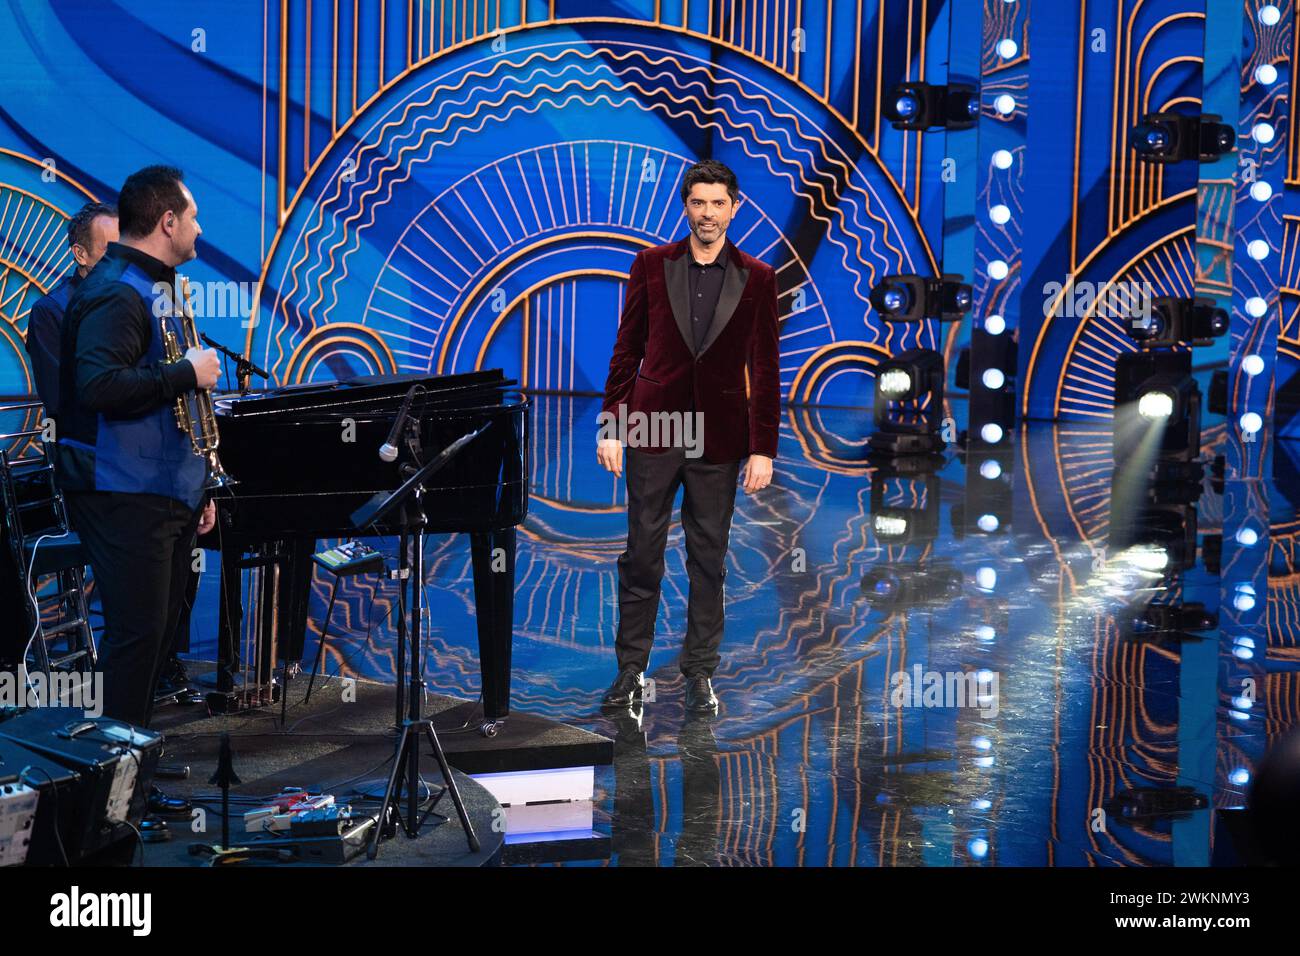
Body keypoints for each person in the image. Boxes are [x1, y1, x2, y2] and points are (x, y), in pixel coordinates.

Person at [596, 159, 779, 715]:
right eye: (698, 203)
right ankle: (631, 671)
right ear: (686, 206)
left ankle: (700, 673)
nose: (707, 213)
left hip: (720, 436)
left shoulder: (758, 277)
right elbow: (627, 349)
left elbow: (766, 367)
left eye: (717, 203)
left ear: (734, 207)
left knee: (709, 559)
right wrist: (613, 426)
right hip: (655, 427)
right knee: (643, 555)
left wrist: (763, 447)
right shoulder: (651, 266)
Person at [57, 165, 220, 738]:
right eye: (193, 216)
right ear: (168, 220)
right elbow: (99, 388)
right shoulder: (116, 292)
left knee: (154, 638)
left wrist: (198, 485)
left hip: (163, 491)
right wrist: (185, 374)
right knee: (136, 638)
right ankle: (108, 789)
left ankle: (131, 773)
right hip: (124, 492)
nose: (200, 228)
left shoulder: (157, 285)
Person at [25, 202, 119, 417]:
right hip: (86, 445)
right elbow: (60, 400)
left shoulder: (138, 299)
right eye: (111, 249)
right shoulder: (50, 312)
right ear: (81, 254)